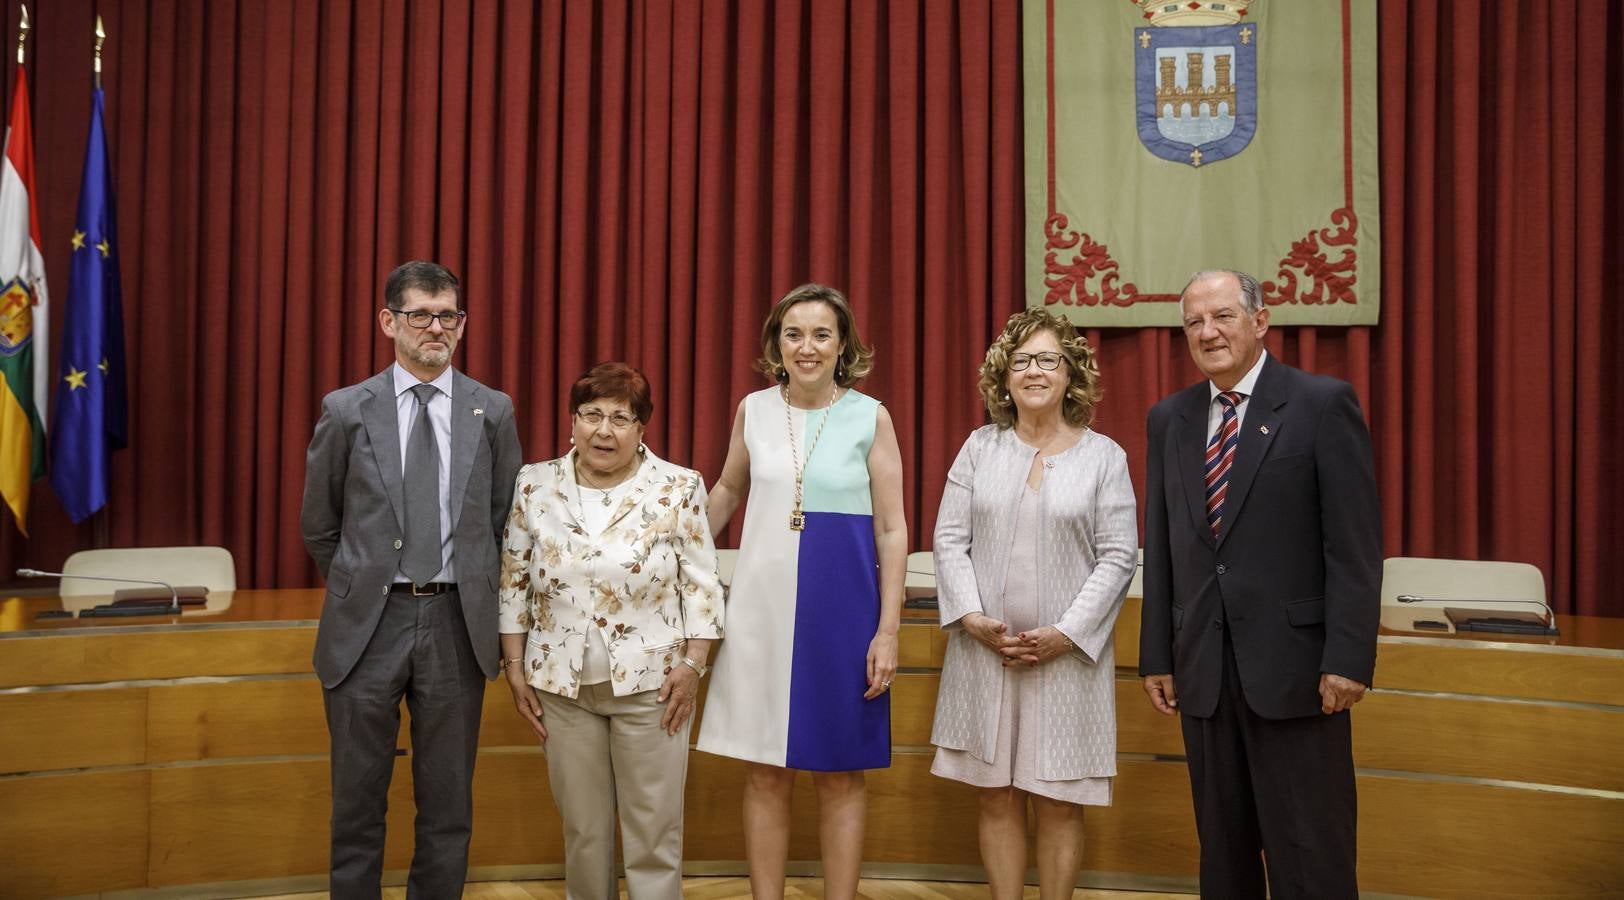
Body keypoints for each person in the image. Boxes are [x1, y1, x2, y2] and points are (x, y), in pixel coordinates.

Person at [1140, 269, 1381, 899]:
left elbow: (1354, 548)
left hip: (1300, 674)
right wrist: (1157, 656)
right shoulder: (1171, 419)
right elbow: (1163, 546)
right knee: (1223, 853)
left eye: (1221, 316)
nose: (1208, 332)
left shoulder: (1321, 404)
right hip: (1205, 678)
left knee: (1311, 851)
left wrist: (1348, 657)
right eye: (1194, 322)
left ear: (1260, 321)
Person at [301, 260, 523, 898]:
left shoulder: (493, 411)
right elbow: (321, 525)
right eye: (420, 314)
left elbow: (505, 519)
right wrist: (364, 584)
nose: (436, 327)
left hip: (457, 625)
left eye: (447, 315)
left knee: (449, 805)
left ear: (463, 323)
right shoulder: (346, 410)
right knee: (358, 801)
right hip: (367, 628)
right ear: (388, 321)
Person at [696, 283, 908, 900]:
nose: (806, 347)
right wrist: (670, 549)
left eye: (821, 334)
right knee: (765, 770)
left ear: (843, 344)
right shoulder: (754, 410)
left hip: (844, 615)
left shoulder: (870, 416)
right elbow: (728, 493)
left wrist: (887, 629)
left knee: (840, 774)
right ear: (776, 343)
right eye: (794, 334)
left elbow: (892, 529)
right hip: (761, 611)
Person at [930, 309, 1138, 899]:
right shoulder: (978, 448)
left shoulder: (1105, 458)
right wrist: (970, 616)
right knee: (995, 794)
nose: (1034, 371)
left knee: (1058, 801)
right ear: (1004, 377)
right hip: (985, 654)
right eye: (1021, 361)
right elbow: (949, 539)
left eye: (1048, 359)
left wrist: (1066, 634)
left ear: (1072, 375)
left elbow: (1119, 556)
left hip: (1067, 660)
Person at [498, 361, 724, 899]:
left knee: (653, 833)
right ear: (572, 421)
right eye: (591, 415)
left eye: (620, 418)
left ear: (642, 428)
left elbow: (703, 588)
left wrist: (693, 666)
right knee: (584, 831)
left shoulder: (678, 486)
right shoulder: (534, 483)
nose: (604, 430)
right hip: (561, 689)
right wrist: (514, 668)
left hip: (655, 689)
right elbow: (513, 581)